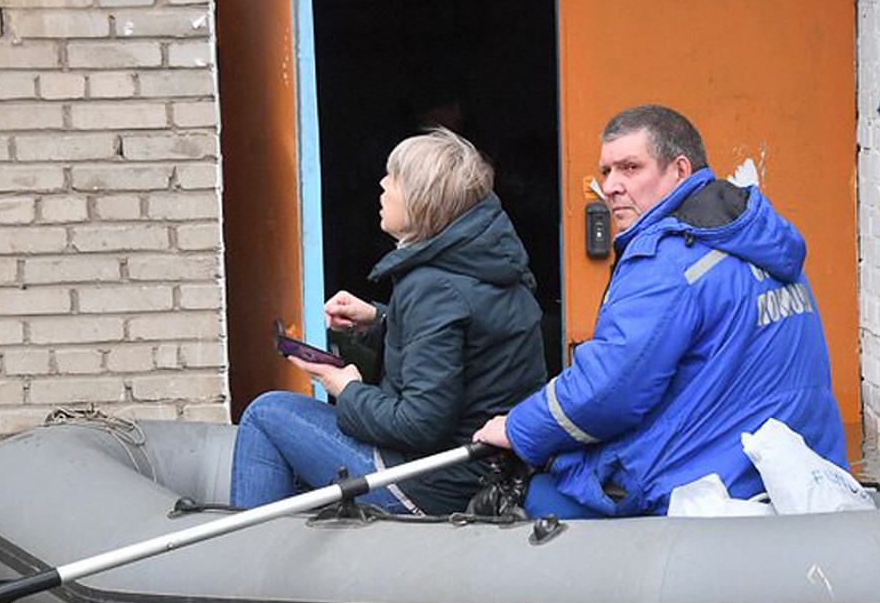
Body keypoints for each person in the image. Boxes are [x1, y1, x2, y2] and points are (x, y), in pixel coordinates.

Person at [474, 104, 846, 519]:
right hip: (793, 475)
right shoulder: (760, 241)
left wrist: (518, 428)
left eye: (631, 168)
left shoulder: (668, 261)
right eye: (606, 172)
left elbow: (610, 390)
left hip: (715, 485)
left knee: (537, 495)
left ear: (679, 170)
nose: (612, 186)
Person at [231, 127, 548, 514]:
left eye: (394, 178)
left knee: (265, 414)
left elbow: (419, 424)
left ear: (421, 200)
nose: (382, 184)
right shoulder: (490, 264)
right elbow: (468, 335)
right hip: (493, 474)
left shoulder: (432, 287)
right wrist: (379, 319)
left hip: (432, 482)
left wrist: (346, 388)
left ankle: (245, 564)